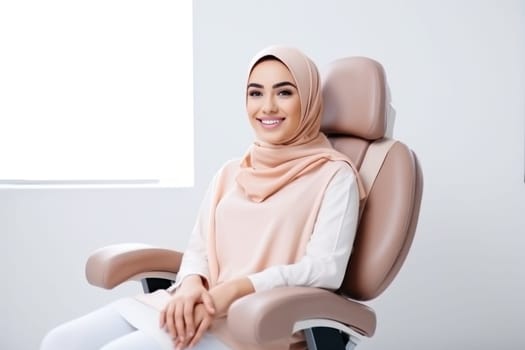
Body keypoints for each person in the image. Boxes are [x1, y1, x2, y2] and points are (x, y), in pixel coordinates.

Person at [40, 45, 364, 350]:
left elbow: (325, 268)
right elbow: (199, 249)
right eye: (255, 93)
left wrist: (236, 290)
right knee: (59, 342)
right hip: (198, 303)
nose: (267, 107)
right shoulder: (231, 171)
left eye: (284, 92)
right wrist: (192, 283)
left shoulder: (334, 175)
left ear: (307, 101)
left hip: (259, 321)